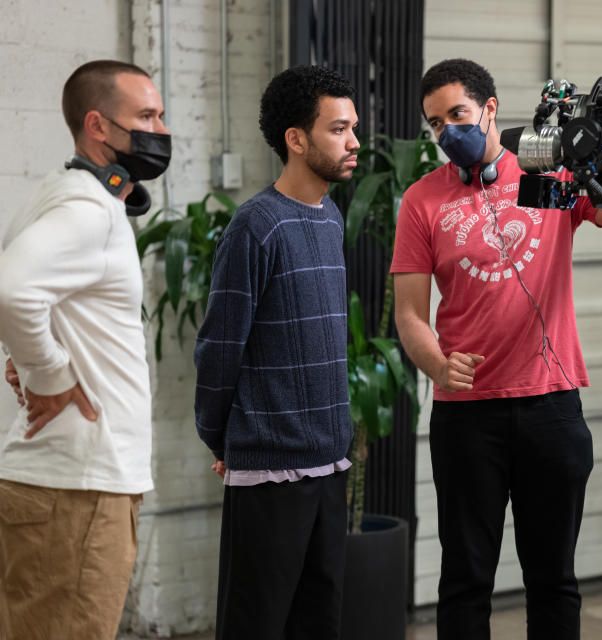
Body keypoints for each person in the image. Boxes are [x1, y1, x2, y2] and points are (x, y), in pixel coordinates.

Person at [391, 58, 602, 640]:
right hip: (465, 416)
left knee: (553, 580)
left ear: (490, 109)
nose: (446, 132)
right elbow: (409, 311)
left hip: (550, 407)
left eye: (457, 115)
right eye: (434, 124)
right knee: (464, 581)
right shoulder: (421, 201)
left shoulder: (554, 175)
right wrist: (436, 363)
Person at [0, 60, 169, 640]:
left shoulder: (56, 193)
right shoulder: (87, 209)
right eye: (145, 116)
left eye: (163, 115)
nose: (160, 131)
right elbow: (11, 291)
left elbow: (33, 299)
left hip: (60, 482)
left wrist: (25, 358)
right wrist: (47, 374)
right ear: (97, 126)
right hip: (79, 487)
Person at [193, 65, 357, 640]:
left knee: (319, 622)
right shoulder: (255, 226)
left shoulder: (331, 218)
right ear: (297, 138)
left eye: (352, 127)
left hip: (329, 461)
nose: (354, 142)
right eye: (338, 129)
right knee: (256, 625)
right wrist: (228, 441)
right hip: (268, 469)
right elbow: (219, 348)